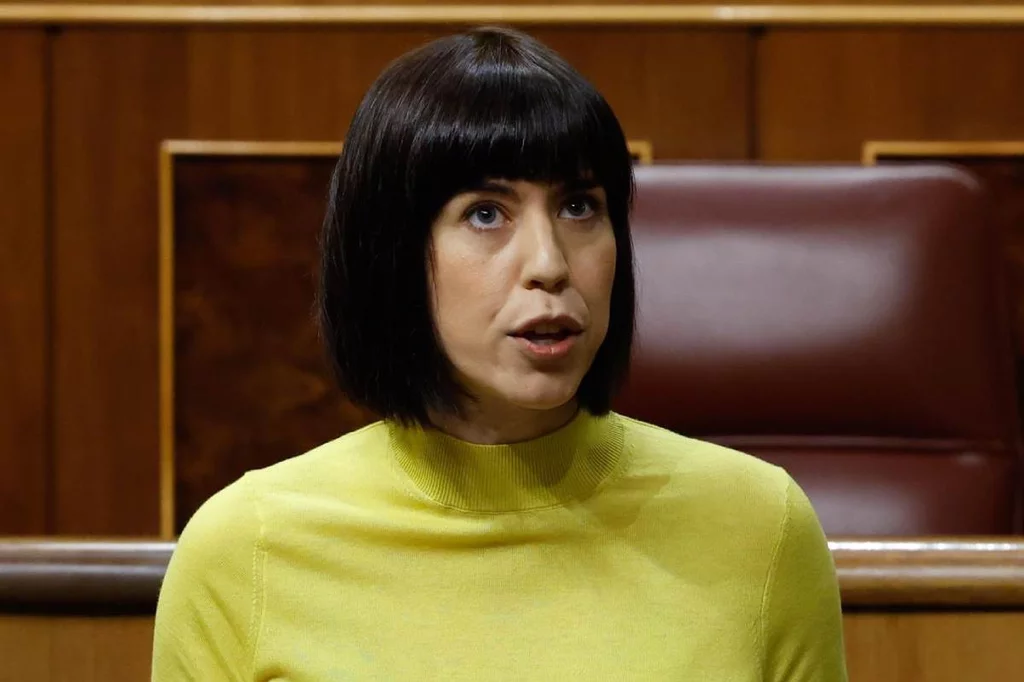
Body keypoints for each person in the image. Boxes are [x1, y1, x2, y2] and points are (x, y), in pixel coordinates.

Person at [151, 26, 848, 681]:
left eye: (580, 206)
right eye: (486, 213)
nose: (549, 263)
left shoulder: (761, 528)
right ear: (389, 254)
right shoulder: (248, 551)